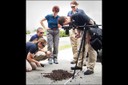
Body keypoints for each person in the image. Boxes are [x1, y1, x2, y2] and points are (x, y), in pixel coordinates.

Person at [67, 1, 86, 65]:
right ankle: (75, 59)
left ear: (77, 5)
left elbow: (83, 20)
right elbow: (68, 21)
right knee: (74, 45)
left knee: (80, 45)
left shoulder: (81, 11)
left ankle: (82, 61)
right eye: (71, 7)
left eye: (73, 6)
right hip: (72, 29)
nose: (72, 8)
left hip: (79, 30)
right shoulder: (69, 12)